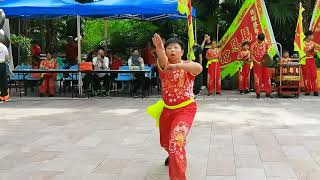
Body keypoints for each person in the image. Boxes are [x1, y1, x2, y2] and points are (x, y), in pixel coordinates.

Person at [148, 34, 202, 180]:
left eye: (176, 48)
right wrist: (159, 46)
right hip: (167, 110)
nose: (172, 50)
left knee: (176, 143)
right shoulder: (164, 66)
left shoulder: (188, 65)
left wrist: (178, 65)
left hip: (186, 109)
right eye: (169, 48)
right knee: (166, 143)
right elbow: (162, 58)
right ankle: (173, 154)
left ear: (182, 51)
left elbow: (199, 68)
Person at [250, 33, 272, 99]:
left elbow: (268, 53)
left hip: (265, 63)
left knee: (267, 77)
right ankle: (258, 93)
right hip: (257, 64)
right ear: (257, 39)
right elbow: (251, 55)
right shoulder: (253, 45)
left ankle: (268, 93)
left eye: (262, 41)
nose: (261, 42)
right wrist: (257, 62)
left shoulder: (265, 44)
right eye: (259, 41)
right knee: (257, 78)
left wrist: (266, 59)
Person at [303, 30, 319, 96]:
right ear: (308, 36)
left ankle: (315, 90)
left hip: (312, 60)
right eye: (312, 35)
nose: (313, 36)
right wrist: (309, 50)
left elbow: (315, 53)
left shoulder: (313, 44)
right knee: (306, 75)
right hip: (305, 60)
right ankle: (307, 90)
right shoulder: (302, 43)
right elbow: (302, 52)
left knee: (314, 75)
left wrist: (314, 51)